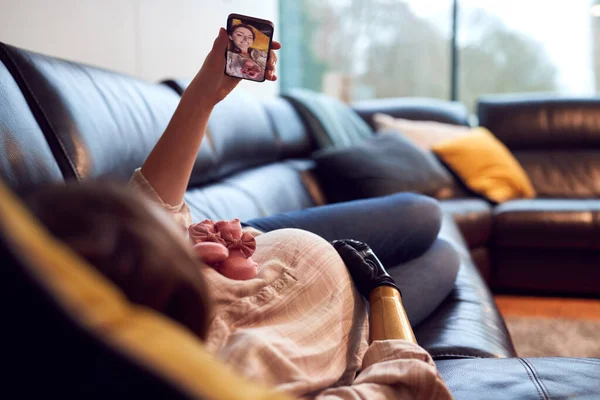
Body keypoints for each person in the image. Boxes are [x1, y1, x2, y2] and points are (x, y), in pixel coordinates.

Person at [26, 28, 457, 399]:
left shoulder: (119, 290)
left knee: (423, 216)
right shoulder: (226, 374)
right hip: (351, 307)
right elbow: (402, 389)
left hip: (269, 252)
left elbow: (150, 208)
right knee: (442, 255)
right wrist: (382, 291)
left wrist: (205, 92)